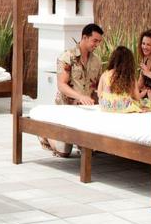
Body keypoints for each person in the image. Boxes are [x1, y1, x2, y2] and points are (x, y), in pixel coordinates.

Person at [40, 23, 104, 157]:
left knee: (91, 150)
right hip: (66, 109)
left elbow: (98, 86)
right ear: (84, 37)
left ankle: (78, 140)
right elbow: (61, 85)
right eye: (95, 41)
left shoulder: (97, 61)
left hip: (86, 112)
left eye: (99, 41)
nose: (97, 44)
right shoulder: (66, 56)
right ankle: (45, 134)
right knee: (63, 152)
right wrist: (80, 97)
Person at [97, 46, 151, 113]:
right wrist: (144, 93)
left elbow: (99, 94)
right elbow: (137, 97)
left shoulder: (105, 74)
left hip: (106, 105)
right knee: (144, 103)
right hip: (123, 106)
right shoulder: (130, 77)